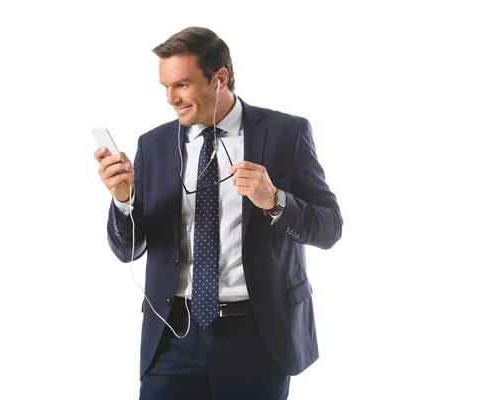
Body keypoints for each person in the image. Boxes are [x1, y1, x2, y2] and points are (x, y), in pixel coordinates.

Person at [93, 26, 342, 400]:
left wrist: (275, 200)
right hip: (173, 334)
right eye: (165, 87)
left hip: (258, 337)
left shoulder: (286, 133)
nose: (170, 99)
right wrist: (123, 200)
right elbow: (129, 249)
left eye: (181, 85)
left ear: (219, 78)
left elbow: (329, 228)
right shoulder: (155, 144)